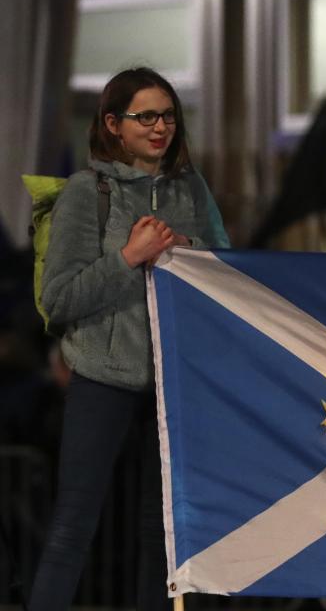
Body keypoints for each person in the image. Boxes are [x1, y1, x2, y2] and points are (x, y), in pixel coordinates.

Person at [29, 67, 230, 611]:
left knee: (162, 537)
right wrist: (128, 260)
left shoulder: (191, 187)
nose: (160, 127)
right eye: (146, 116)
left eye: (168, 115)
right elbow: (61, 299)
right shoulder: (86, 192)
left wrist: (188, 250)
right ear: (114, 124)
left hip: (175, 381)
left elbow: (228, 271)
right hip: (103, 376)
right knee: (74, 526)